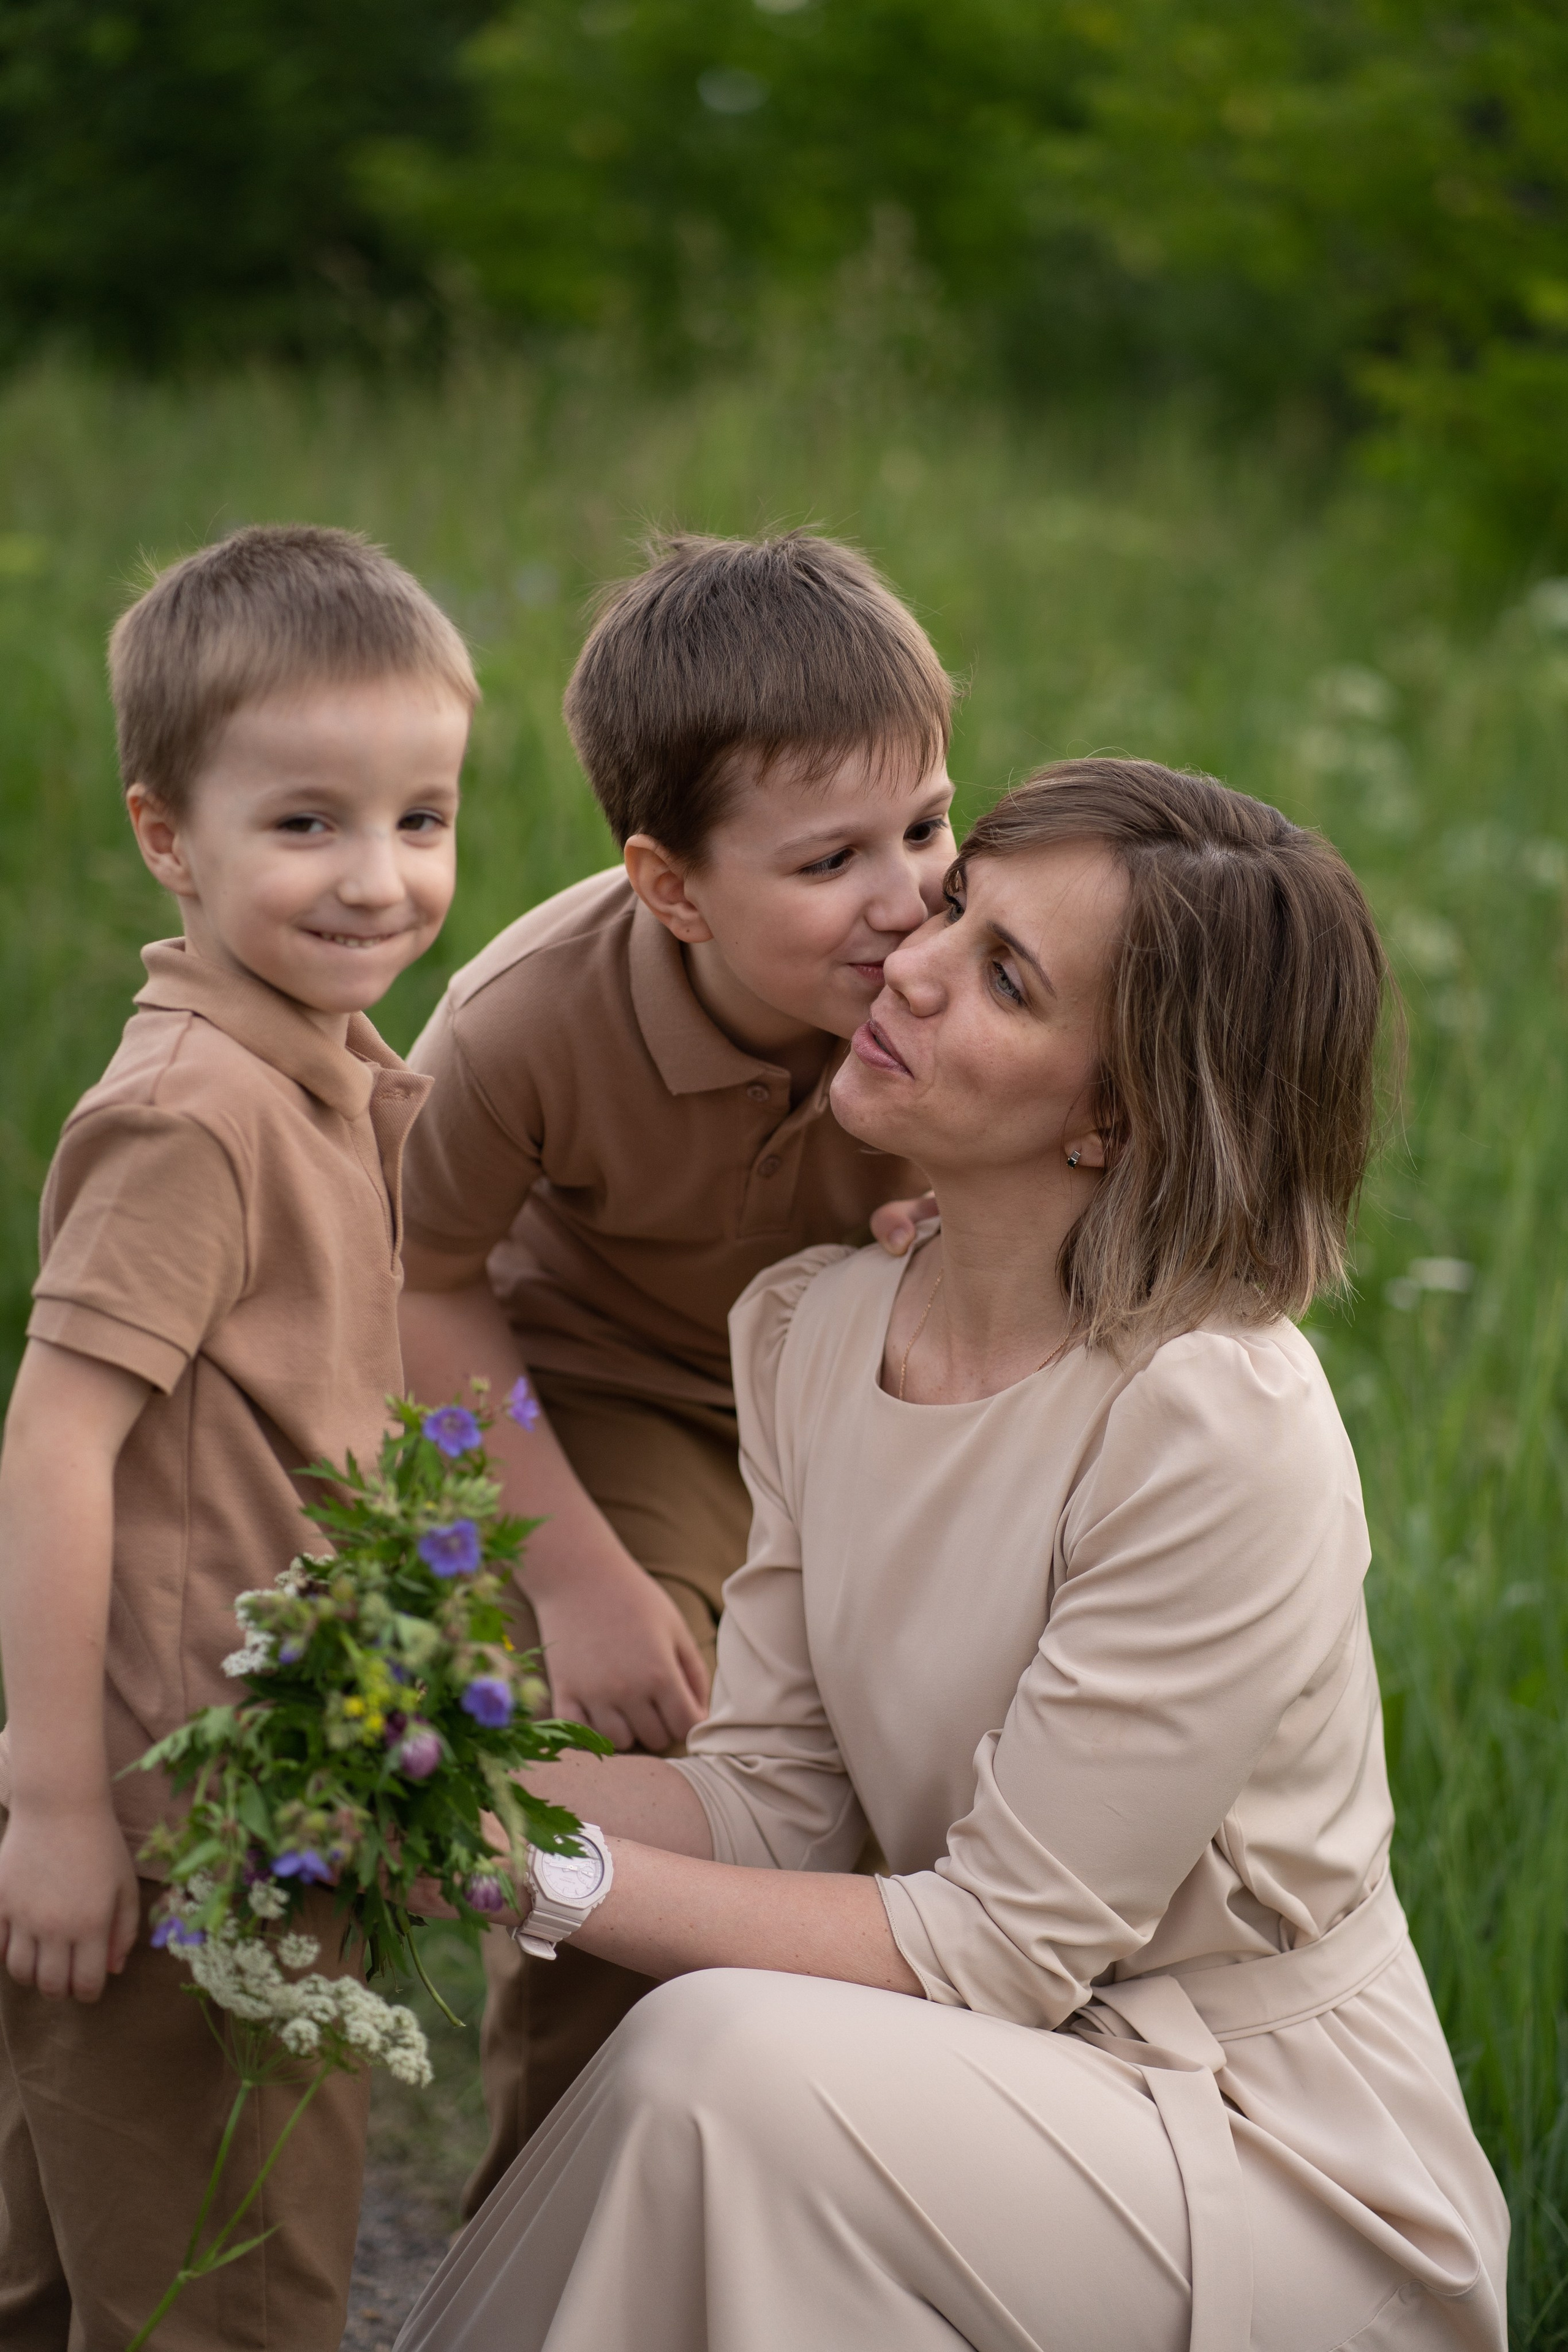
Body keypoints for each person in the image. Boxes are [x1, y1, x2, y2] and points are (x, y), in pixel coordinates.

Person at [398, 759, 1509, 2352]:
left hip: (1258, 2155)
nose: (907, 959)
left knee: (721, 2064)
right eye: (962, 904)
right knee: (720, 2066)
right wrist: (419, 1790)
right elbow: (768, 1802)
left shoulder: (1212, 1419)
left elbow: (996, 1947)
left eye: (1003, 975)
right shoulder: (812, 1326)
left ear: (1118, 1110)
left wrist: (543, 1876)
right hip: (973, 2090)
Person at [397, 530, 946, 2196]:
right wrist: (571, 1577)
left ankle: (874, 2197)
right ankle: (549, 2215)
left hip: (877, 1399)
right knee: (639, 1779)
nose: (909, 892)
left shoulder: (960, 975)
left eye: (927, 822)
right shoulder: (522, 1026)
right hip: (622, 1397)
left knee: (923, 1774)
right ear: (671, 887)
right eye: (831, 859)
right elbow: (415, 1286)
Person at [0, 524, 473, 2352]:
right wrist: (55, 1807)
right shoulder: (196, 1114)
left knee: (66, 2265)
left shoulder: (330, 1071)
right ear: (164, 837)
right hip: (174, 1820)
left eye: (421, 817)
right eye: (306, 823)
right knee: (230, 2283)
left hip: (262, 1782)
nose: (378, 878)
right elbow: (54, 1445)